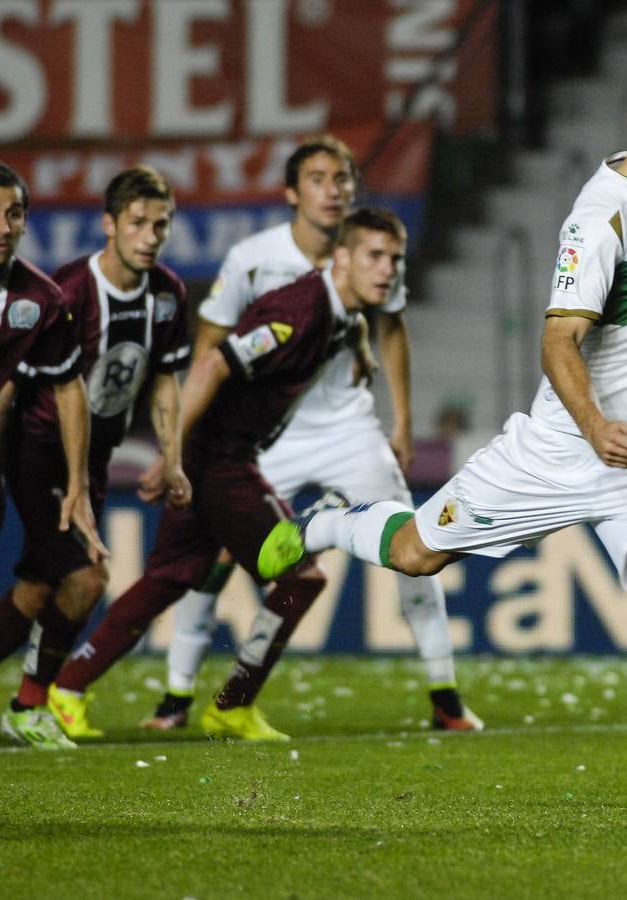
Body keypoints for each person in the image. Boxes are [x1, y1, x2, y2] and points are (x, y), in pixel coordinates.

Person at [255, 60, 627, 822]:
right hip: (563, 449)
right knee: (417, 552)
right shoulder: (602, 218)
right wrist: (593, 426)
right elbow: (557, 342)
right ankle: (325, 521)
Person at [145, 136, 478, 734]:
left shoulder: (375, 250)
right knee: (216, 559)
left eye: (343, 178)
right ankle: (176, 697)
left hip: (351, 429)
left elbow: (392, 330)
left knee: (414, 542)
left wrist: (401, 420)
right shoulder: (254, 256)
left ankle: (445, 696)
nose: (334, 189)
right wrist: (192, 443)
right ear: (293, 193)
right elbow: (210, 345)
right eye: (320, 178)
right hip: (268, 438)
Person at [47, 207, 409, 743]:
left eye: (395, 260)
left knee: (167, 578)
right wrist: (170, 455)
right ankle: (232, 705)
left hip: (213, 457)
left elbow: (341, 329)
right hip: (220, 460)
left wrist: (355, 340)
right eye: (375, 256)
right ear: (342, 257)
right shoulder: (301, 310)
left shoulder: (338, 314)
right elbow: (215, 361)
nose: (387, 270)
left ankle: (67, 690)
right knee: (301, 576)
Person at [0, 167, 191, 750]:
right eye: (137, 223)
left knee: (37, 590)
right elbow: (11, 382)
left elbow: (163, 381)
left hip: (91, 457)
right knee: (87, 578)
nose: (150, 236)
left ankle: (28, 706)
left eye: (161, 225)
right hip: (37, 450)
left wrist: (172, 456)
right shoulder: (69, 291)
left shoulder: (167, 295)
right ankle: (32, 704)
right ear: (109, 224)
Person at [0, 162, 106, 736]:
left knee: (77, 580)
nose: (1, 226)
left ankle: (29, 706)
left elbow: (67, 385)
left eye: (12, 213)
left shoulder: (40, 298)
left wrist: (79, 483)